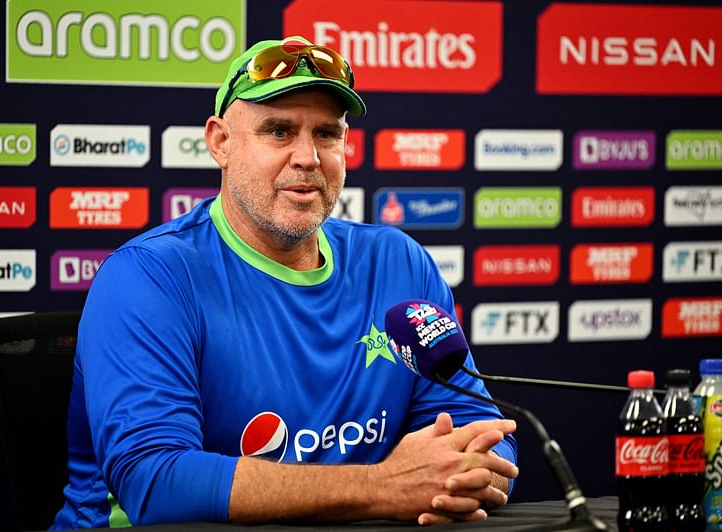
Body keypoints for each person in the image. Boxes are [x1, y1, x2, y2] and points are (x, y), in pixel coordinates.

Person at [52, 36, 518, 529]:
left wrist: (462, 475)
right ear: (220, 142)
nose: (308, 157)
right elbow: (156, 480)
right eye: (278, 131)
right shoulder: (149, 275)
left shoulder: (397, 261)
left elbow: (482, 431)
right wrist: (383, 487)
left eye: (326, 133)